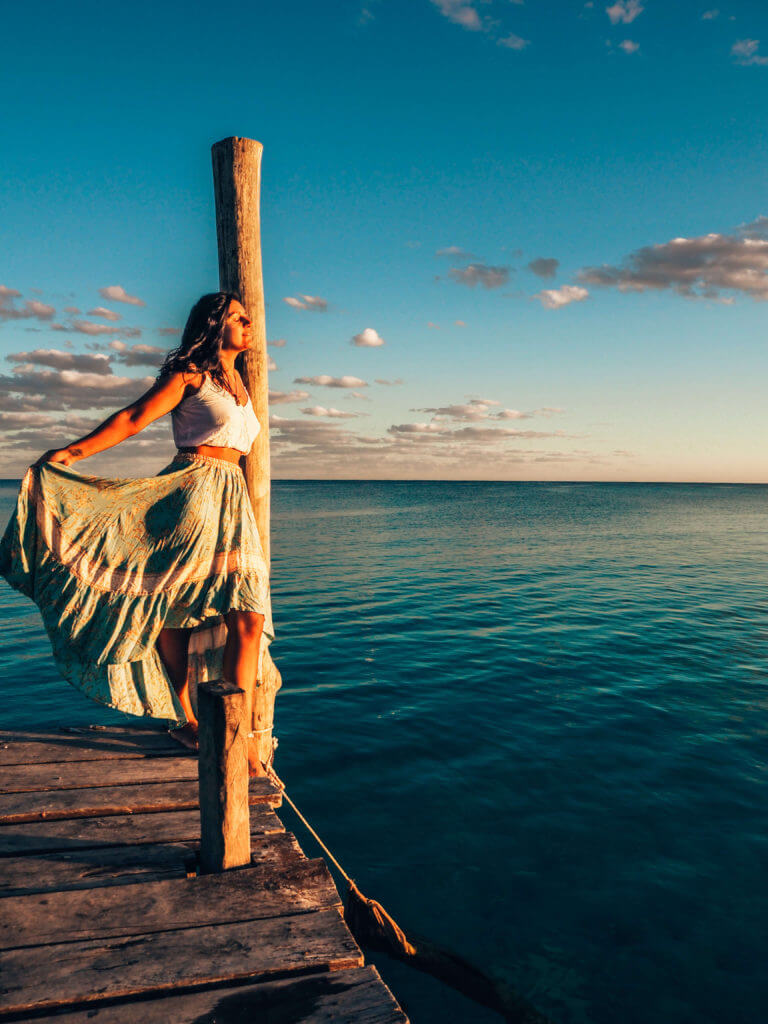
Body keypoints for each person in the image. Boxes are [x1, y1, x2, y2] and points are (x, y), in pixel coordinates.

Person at [0, 292, 274, 774]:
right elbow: (133, 418)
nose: (249, 323)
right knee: (172, 609)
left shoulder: (243, 383)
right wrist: (70, 455)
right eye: (238, 317)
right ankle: (189, 717)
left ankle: (239, 731)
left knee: (248, 619)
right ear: (213, 326)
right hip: (191, 494)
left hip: (232, 503)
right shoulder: (189, 375)